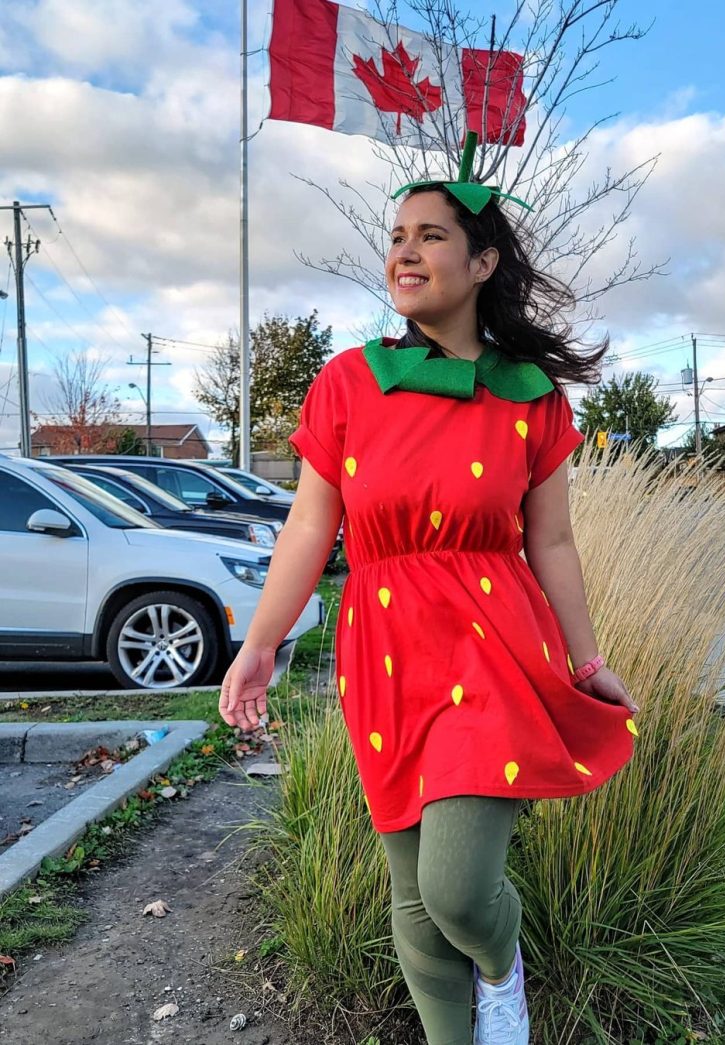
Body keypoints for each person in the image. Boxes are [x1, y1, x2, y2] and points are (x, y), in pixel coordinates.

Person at [220, 133, 640, 1045]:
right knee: (413, 899)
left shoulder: (529, 396)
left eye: (430, 235)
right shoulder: (349, 383)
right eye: (397, 235)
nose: (404, 251)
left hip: (492, 645)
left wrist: (586, 656)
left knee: (457, 886)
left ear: (483, 261)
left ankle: (503, 961)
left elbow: (555, 541)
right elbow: (307, 528)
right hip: (384, 647)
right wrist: (260, 643)